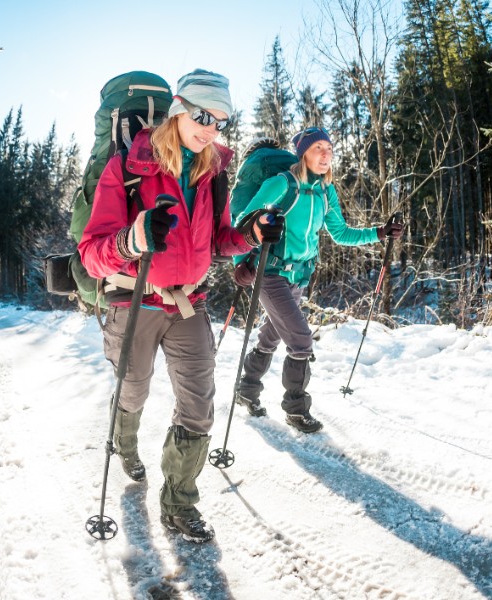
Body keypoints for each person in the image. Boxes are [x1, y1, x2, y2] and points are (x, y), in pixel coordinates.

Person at [79, 69, 282, 543]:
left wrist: (250, 235)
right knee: (133, 391)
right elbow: (91, 253)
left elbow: (218, 241)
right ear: (177, 107)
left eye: (221, 121)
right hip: (133, 301)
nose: (211, 129)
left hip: (189, 304)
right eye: (202, 115)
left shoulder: (212, 173)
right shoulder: (128, 169)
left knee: (199, 407)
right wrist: (132, 239)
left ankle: (179, 503)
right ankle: (125, 445)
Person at [232, 126, 403, 433]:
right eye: (317, 148)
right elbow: (242, 221)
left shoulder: (326, 191)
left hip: (300, 276)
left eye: (329, 148)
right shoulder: (281, 183)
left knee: (272, 335)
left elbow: (341, 234)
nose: (325, 154)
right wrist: (239, 262)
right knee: (301, 340)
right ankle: (296, 408)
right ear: (302, 153)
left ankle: (246, 389)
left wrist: (379, 232)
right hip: (269, 273)